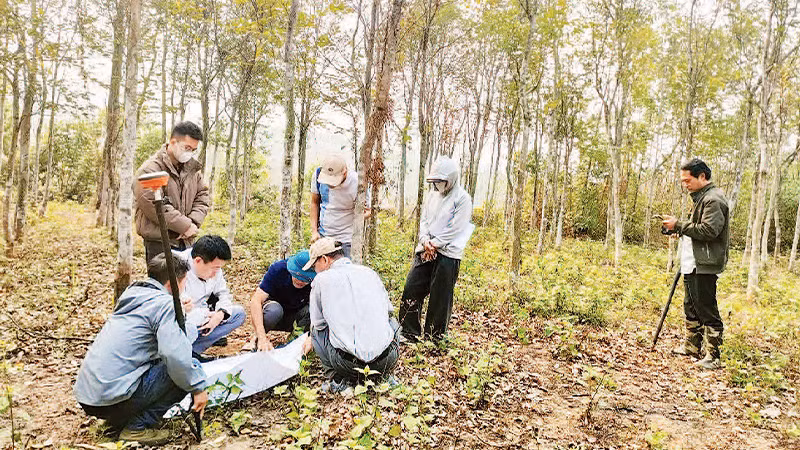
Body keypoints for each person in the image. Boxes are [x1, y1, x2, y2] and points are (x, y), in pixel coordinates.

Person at [74, 254, 208, 446]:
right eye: (184, 283)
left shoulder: (133, 296)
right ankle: (137, 428)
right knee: (189, 367)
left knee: (167, 364)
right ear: (172, 284)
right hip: (112, 399)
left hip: (89, 397)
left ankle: (116, 423)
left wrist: (181, 314)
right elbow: (175, 356)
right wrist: (197, 387)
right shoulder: (165, 304)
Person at [303, 237, 399, 392]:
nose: (315, 270)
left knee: (315, 329)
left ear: (325, 259)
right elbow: (388, 311)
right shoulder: (369, 272)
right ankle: (385, 375)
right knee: (392, 320)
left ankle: (337, 379)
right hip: (387, 359)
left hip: (348, 365)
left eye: (315, 265)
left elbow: (319, 324)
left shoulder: (321, 280)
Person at [661, 158, 729, 370]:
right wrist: (677, 230)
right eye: (682, 180)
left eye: (687, 180)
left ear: (702, 176)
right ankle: (692, 346)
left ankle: (713, 356)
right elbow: (696, 228)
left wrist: (679, 225)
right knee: (691, 305)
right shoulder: (702, 198)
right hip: (693, 261)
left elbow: (709, 231)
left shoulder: (714, 199)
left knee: (706, 307)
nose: (685, 184)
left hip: (705, 263)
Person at [399, 156, 473, 343]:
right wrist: (425, 241)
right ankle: (409, 332)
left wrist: (436, 244)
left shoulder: (462, 199)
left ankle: (435, 336)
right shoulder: (432, 196)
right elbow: (424, 221)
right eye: (436, 181)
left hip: (448, 253)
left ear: (451, 179)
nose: (438, 185)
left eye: (441, 181)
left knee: (441, 295)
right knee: (412, 286)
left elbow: (457, 227)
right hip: (426, 248)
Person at [134, 121, 210, 263]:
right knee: (163, 284)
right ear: (173, 142)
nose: (190, 153)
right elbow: (152, 203)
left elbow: (203, 196)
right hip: (160, 242)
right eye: (187, 148)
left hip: (186, 241)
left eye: (193, 150)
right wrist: (184, 226)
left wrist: (192, 223)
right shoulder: (150, 169)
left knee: (185, 283)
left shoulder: (192, 170)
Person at [176, 235, 246, 357]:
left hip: (203, 317)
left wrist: (220, 315)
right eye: (215, 269)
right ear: (198, 260)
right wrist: (202, 314)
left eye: (219, 269)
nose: (216, 274)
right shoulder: (176, 265)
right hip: (182, 320)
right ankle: (180, 353)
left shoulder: (215, 269)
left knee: (238, 314)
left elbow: (223, 294)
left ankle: (194, 351)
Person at [245, 250, 317, 352]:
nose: (300, 281)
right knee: (274, 311)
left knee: (311, 311)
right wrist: (262, 337)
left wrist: (312, 337)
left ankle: (295, 341)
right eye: (297, 276)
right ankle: (257, 338)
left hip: (297, 317)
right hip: (274, 314)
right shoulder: (278, 269)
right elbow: (256, 300)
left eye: (305, 279)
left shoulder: (318, 279)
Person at [310, 154, 367, 257]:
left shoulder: (357, 183)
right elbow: (314, 202)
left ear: (344, 173)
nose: (330, 185)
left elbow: (368, 210)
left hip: (347, 240)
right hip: (324, 236)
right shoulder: (318, 175)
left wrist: (358, 217)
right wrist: (314, 231)